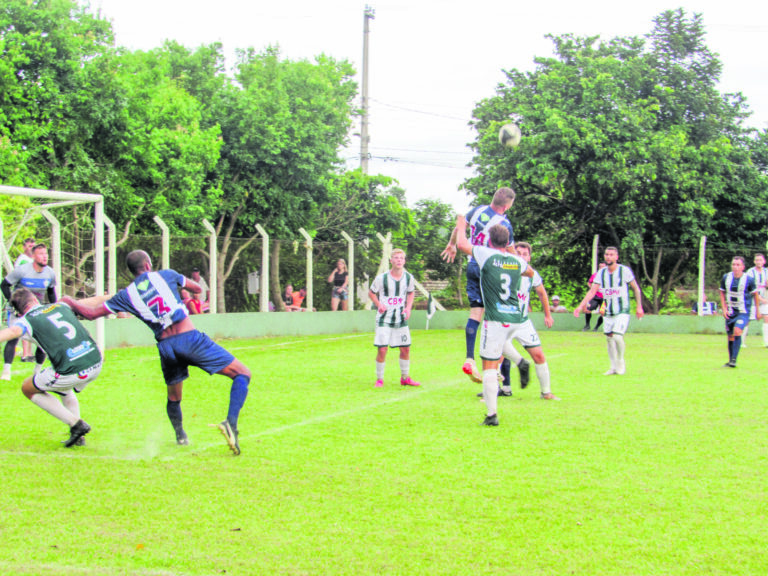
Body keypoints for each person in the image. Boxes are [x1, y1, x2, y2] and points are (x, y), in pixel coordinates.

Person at [61, 250, 251, 456]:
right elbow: (197, 288)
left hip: (166, 348)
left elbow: (90, 314)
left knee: (174, 396)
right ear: (148, 265)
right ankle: (231, 423)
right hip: (188, 338)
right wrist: (180, 287)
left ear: (132, 271)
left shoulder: (126, 295)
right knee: (242, 373)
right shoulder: (166, 275)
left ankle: (181, 436)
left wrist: (70, 301)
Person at [456, 217, 535, 426]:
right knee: (503, 342)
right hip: (515, 317)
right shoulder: (517, 260)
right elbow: (530, 272)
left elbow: (462, 244)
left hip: (495, 318)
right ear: (508, 242)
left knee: (489, 368)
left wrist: (461, 225)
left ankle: (491, 415)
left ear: (489, 241)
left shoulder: (486, 254)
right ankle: (521, 362)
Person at [441, 187, 521, 389]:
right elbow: (510, 250)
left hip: (472, 265)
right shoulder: (504, 224)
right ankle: (494, 367)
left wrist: (452, 244)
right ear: (507, 205)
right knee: (497, 316)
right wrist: (521, 267)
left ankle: (470, 358)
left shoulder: (478, 210)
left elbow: (459, 228)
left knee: (476, 313)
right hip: (490, 267)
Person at [0, 287, 100, 447]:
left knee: (27, 388)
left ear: (19, 311)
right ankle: (78, 438)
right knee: (64, 389)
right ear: (35, 299)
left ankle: (76, 424)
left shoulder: (26, 320)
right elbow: (90, 302)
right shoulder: (60, 305)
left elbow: (12, 332)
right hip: (95, 360)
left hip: (73, 369)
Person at [487, 241, 558, 400]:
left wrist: (548, 315)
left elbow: (541, 293)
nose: (521, 256)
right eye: (518, 253)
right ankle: (492, 391)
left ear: (529, 258)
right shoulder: (503, 270)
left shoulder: (532, 274)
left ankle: (546, 392)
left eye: (525, 254)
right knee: (495, 354)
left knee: (538, 355)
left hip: (523, 321)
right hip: (504, 319)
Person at [574, 246, 644, 375]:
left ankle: (620, 361)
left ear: (616, 257)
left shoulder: (624, 271)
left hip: (622, 310)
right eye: (606, 254)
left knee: (617, 336)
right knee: (609, 338)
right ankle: (613, 367)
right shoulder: (601, 273)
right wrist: (580, 306)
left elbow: (636, 288)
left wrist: (639, 306)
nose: (608, 257)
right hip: (608, 311)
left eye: (611, 255)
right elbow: (592, 291)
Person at [1, 243, 57, 380]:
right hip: (18, 311)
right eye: (41, 254)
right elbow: (4, 285)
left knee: (43, 342)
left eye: (46, 253)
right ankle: (6, 372)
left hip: (35, 312)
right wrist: (14, 303)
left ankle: (37, 373)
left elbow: (51, 293)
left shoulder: (50, 273)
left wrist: (54, 308)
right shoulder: (21, 271)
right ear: (33, 256)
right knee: (13, 337)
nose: (45, 257)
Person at [368, 248, 420, 388]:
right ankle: (379, 379)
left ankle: (405, 378)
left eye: (401, 258)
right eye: (396, 258)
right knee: (382, 349)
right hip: (384, 318)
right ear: (391, 260)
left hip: (400, 318)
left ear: (404, 261)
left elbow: (410, 293)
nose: (399, 260)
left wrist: (408, 307)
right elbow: (371, 293)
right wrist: (379, 304)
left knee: (405, 348)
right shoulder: (382, 278)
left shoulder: (408, 278)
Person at [719, 256, 760, 367]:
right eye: (733, 264)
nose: (735, 267)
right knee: (730, 336)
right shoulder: (726, 277)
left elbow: (755, 294)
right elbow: (722, 292)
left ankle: (733, 360)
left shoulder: (749, 279)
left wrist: (757, 311)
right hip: (730, 311)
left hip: (743, 311)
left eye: (738, 265)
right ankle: (730, 360)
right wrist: (724, 308)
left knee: (737, 331)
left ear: (743, 267)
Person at [12, 237, 36, 362]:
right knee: (25, 322)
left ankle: (28, 353)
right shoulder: (23, 260)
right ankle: (25, 354)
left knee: (30, 322)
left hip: (31, 295)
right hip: (23, 296)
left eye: (33, 246)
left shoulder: (32, 260)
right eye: (29, 246)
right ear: (24, 247)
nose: (31, 248)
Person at [742, 253, 768, 347]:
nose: (758, 262)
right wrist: (760, 298)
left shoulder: (766, 271)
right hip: (752, 300)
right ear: (754, 261)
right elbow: (750, 288)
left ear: (764, 261)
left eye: (760, 260)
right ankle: (741, 342)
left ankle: (766, 342)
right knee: (747, 320)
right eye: (756, 260)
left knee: (766, 318)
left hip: (764, 299)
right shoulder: (750, 272)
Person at [582, 263, 606, 332]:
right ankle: (587, 325)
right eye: (600, 266)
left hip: (604, 297)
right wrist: (592, 289)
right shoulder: (595, 275)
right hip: (595, 296)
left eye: (603, 267)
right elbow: (589, 283)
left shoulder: (609, 276)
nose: (601, 268)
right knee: (588, 310)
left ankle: (596, 328)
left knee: (603, 313)